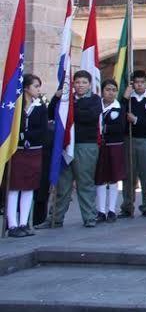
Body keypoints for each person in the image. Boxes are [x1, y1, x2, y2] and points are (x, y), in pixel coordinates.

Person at [43, 70, 101, 228]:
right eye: (77, 82)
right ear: (73, 84)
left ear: (89, 84)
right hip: (66, 145)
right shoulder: (65, 100)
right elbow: (52, 114)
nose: (80, 85)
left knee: (85, 183)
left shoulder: (95, 99)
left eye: (84, 82)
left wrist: (70, 111)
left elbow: (90, 117)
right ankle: (55, 218)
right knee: (62, 184)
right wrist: (56, 98)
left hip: (85, 146)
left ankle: (89, 217)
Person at [5, 73, 46, 237]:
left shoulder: (40, 106)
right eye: (35, 86)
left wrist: (27, 136)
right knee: (14, 187)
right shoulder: (15, 106)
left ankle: (23, 223)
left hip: (34, 150)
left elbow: (43, 130)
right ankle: (12, 224)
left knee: (29, 187)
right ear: (26, 88)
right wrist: (20, 136)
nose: (38, 90)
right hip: (18, 151)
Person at [120, 70, 146, 218]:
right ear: (132, 84)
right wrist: (124, 98)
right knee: (129, 175)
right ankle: (127, 206)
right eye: (136, 82)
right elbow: (120, 117)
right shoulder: (129, 100)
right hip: (130, 139)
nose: (139, 85)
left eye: (142, 82)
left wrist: (136, 120)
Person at [94, 79, 126, 223]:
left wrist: (104, 128)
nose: (111, 93)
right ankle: (101, 210)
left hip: (115, 145)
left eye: (113, 90)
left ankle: (112, 210)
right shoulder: (96, 107)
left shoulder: (119, 108)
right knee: (100, 178)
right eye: (108, 89)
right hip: (100, 146)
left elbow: (120, 127)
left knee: (113, 178)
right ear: (102, 91)